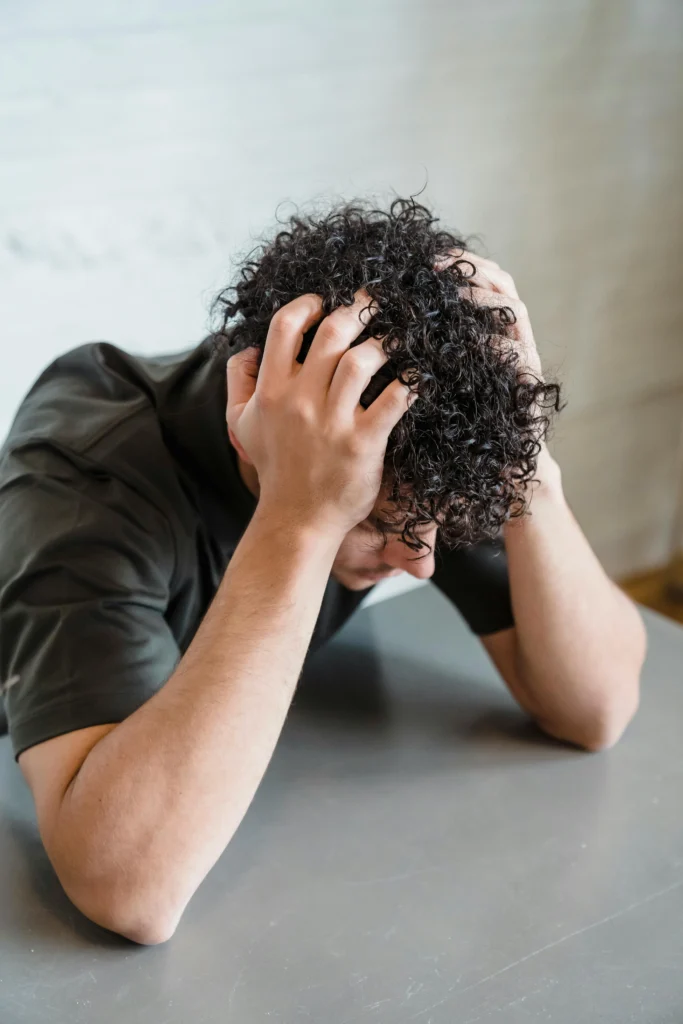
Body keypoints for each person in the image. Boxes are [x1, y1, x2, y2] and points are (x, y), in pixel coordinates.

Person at [0, 199, 646, 945]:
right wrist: (303, 516)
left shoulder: (403, 452)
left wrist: (524, 467)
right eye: (374, 525)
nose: (421, 561)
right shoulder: (90, 464)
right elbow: (128, 887)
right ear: (255, 451)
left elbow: (594, 706)